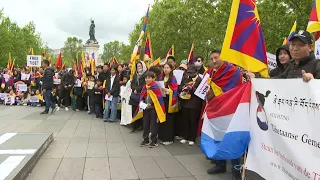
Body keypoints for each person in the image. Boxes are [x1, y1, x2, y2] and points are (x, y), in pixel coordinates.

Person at [247, 30, 320, 82]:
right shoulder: (291, 65)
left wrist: (314, 82)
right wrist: (255, 78)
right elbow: (278, 81)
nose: (295, 49)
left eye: (300, 45)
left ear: (310, 47)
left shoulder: (317, 65)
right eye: (293, 44)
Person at [138, 71, 166, 148]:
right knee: (145, 124)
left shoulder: (155, 87)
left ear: (153, 79)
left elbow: (158, 99)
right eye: (146, 78)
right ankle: (145, 139)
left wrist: (152, 104)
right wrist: (142, 102)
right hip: (145, 108)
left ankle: (154, 141)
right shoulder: (145, 87)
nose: (147, 79)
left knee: (153, 125)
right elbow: (142, 96)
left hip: (153, 109)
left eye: (149, 78)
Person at [179, 65, 202, 146]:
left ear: (196, 72)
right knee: (185, 120)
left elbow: (200, 92)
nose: (190, 74)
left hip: (195, 104)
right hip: (185, 102)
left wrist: (191, 88)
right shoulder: (186, 78)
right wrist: (183, 88)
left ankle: (192, 138)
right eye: (189, 73)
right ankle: (185, 136)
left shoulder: (200, 80)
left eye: (192, 73)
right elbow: (180, 86)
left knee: (193, 121)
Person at [159, 63, 179, 145]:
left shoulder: (173, 79)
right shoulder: (161, 77)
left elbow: (175, 91)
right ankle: (162, 136)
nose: (165, 69)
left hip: (169, 101)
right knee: (162, 118)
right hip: (162, 100)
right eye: (164, 68)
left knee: (169, 120)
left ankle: (168, 138)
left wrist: (167, 90)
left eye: (167, 68)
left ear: (171, 69)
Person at [129, 61, 147, 132]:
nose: (139, 67)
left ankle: (141, 125)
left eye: (140, 66)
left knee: (141, 110)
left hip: (142, 95)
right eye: (138, 66)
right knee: (134, 110)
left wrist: (138, 89)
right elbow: (132, 84)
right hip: (134, 95)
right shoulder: (135, 75)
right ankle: (134, 126)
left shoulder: (146, 74)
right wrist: (134, 88)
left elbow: (145, 85)